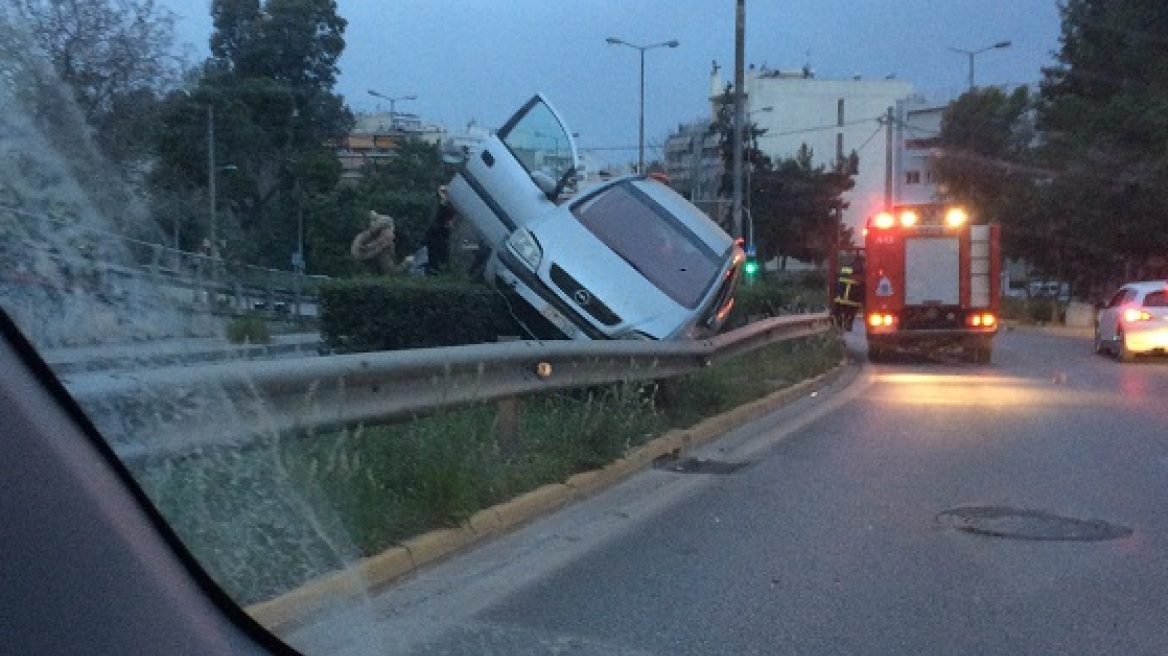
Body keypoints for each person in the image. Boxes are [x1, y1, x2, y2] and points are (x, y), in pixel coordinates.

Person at [423, 185, 456, 276]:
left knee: (439, 256)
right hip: (436, 234)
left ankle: (436, 271)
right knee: (434, 256)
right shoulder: (442, 205)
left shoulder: (447, 207)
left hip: (439, 234)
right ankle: (434, 271)